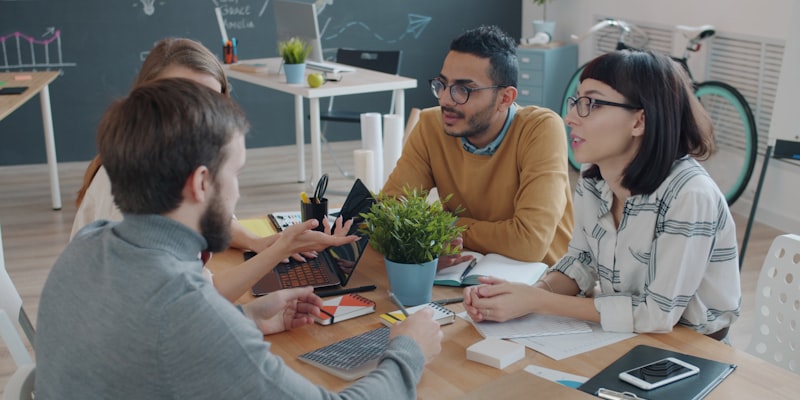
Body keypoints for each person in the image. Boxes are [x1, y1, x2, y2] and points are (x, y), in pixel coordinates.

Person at [36, 78, 443, 398]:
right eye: (235, 173)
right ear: (200, 183)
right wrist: (408, 352)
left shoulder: (87, 245)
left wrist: (244, 318)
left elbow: (143, 348)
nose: (237, 193)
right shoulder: (186, 312)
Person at [464, 49, 741, 339]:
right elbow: (580, 263)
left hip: (693, 346)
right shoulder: (594, 176)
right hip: (627, 333)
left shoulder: (690, 194)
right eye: (577, 101)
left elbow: (656, 313)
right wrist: (523, 297)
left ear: (639, 122)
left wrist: (540, 302)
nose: (570, 117)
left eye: (592, 103)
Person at [71, 37, 340, 301]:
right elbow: (192, 303)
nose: (199, 116)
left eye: (210, 102)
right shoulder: (132, 187)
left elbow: (198, 288)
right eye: (182, 100)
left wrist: (261, 243)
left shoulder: (174, 166)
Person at [381, 25, 573, 266]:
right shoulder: (431, 125)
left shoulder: (540, 128)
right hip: (463, 276)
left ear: (505, 98)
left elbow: (529, 242)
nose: (445, 100)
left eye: (464, 89)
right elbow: (388, 213)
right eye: (442, 85)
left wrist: (444, 226)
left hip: (543, 283)